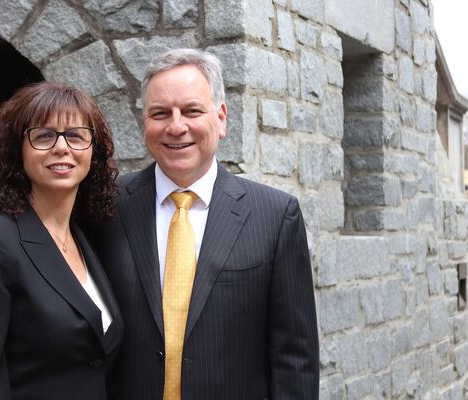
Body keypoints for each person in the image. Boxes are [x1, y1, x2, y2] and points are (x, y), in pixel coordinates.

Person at [89, 49, 319, 399]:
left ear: (222, 118)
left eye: (192, 110)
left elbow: (295, 357)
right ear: (144, 123)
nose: (176, 126)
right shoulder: (105, 206)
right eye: (160, 113)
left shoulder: (275, 215)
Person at [0, 82, 123, 400]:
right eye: (44, 135)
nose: (62, 147)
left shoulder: (84, 237)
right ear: (18, 150)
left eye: (76, 136)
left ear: (92, 151)